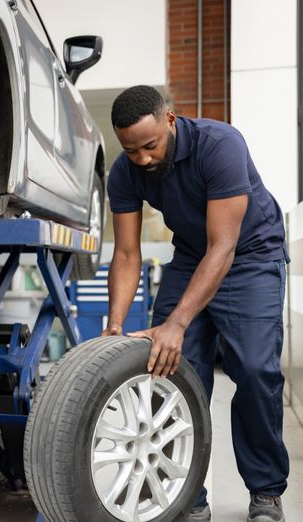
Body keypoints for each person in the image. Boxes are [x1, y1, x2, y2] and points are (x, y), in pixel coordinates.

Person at [101, 85, 289, 522]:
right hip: (190, 257)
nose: (143, 158)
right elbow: (127, 254)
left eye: (150, 146)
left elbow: (223, 247)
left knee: (256, 369)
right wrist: (114, 324)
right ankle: (184, 494)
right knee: (169, 373)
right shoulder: (123, 172)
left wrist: (177, 322)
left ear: (170, 119)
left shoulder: (220, 144)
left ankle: (265, 490)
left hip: (250, 255)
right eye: (132, 150)